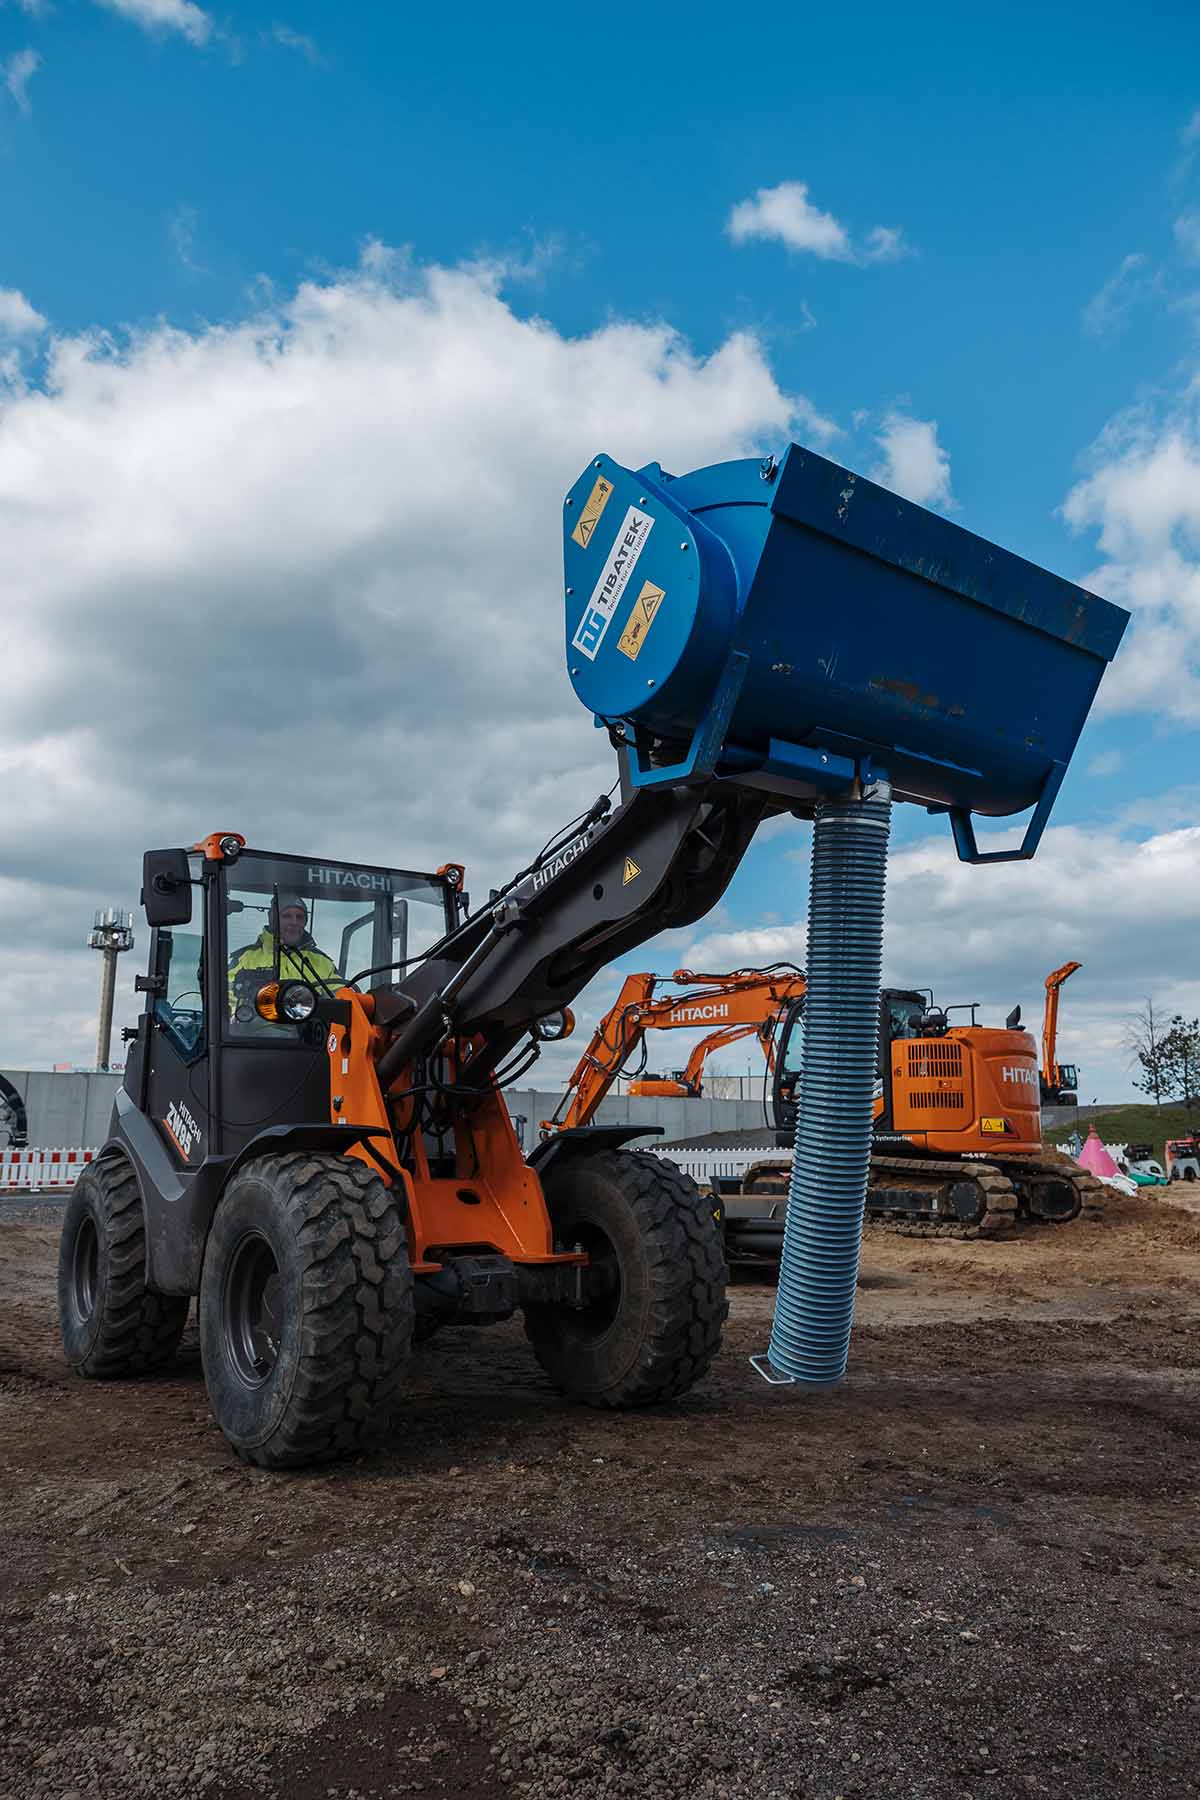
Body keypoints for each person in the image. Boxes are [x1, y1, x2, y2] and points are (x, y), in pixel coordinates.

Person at [228, 894, 340, 1029]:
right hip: (254, 1039)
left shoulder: (323, 963)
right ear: (272, 919)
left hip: (310, 1041)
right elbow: (225, 1000)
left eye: (300, 917)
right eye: (287, 916)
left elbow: (339, 997)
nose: (294, 922)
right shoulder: (245, 959)